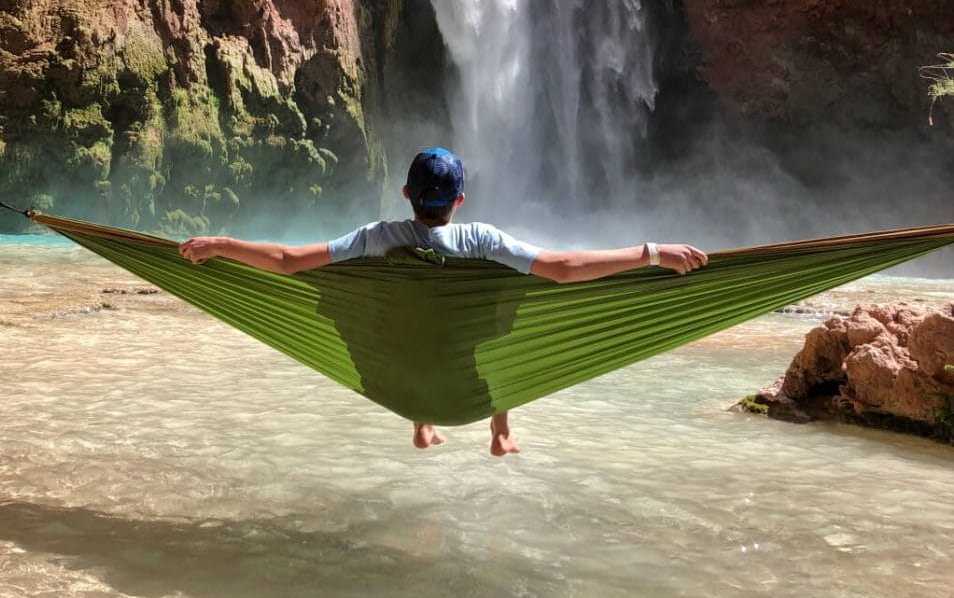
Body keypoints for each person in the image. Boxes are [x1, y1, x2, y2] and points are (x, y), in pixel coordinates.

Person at [180, 148, 707, 456]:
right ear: (459, 201)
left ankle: (421, 421)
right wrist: (651, 253)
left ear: (406, 194)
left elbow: (289, 260)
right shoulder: (481, 240)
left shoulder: (378, 236)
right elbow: (563, 269)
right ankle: (500, 433)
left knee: (403, 310)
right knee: (504, 308)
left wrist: (220, 244)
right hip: (469, 383)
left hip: (399, 378)